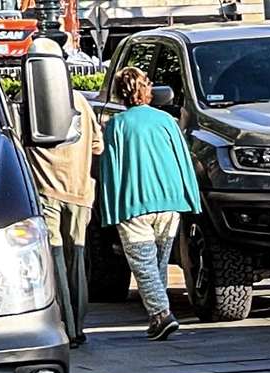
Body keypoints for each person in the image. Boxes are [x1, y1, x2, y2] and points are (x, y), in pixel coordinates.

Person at [98, 67, 200, 341]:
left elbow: (111, 170)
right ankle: (157, 318)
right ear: (147, 89)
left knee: (143, 265)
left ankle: (162, 313)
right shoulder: (166, 120)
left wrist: (109, 210)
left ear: (120, 93)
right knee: (158, 262)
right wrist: (191, 198)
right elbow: (183, 160)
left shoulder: (116, 125)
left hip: (134, 204)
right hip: (169, 200)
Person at [25, 37, 101, 346]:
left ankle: (64, 325)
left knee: (54, 256)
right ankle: (79, 326)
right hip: (80, 191)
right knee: (77, 258)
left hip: (46, 190)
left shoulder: (27, 101)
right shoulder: (81, 102)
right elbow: (97, 145)